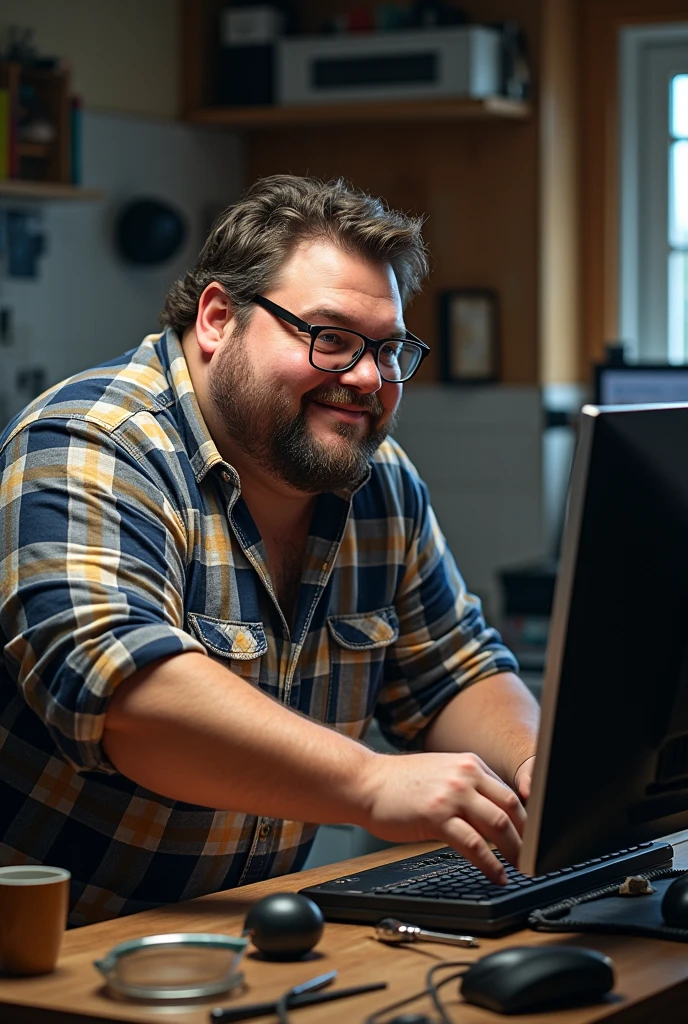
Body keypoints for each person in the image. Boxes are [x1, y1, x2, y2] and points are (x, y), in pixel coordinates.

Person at [0, 175, 539, 927]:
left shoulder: (379, 482)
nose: (363, 378)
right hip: (55, 955)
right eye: (330, 337)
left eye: (386, 351)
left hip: (238, 937)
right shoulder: (92, 442)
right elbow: (122, 694)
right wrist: (371, 782)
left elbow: (456, 673)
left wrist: (536, 768)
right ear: (219, 318)